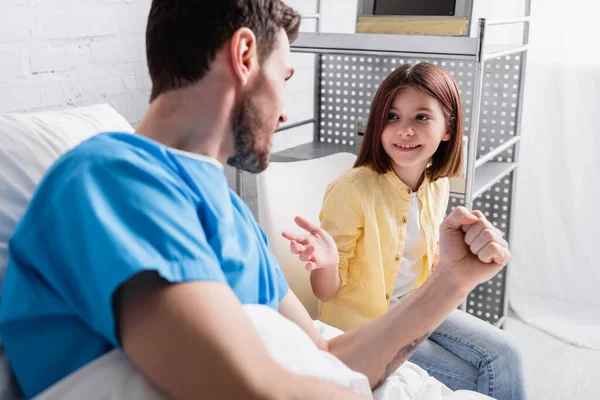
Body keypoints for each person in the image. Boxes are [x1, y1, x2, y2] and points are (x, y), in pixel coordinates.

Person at [0, 1, 511, 399]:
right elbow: (241, 388)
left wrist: (451, 280)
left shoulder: (233, 219)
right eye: (284, 78)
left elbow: (330, 356)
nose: (284, 113)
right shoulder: (113, 177)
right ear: (244, 57)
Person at [283, 62, 526, 399]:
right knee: (480, 377)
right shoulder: (352, 190)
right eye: (392, 117)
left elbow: (427, 267)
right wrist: (326, 262)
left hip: (418, 306)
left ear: (448, 129)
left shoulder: (437, 185)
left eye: (421, 117)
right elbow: (325, 293)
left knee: (507, 356)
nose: (404, 130)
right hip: (367, 329)